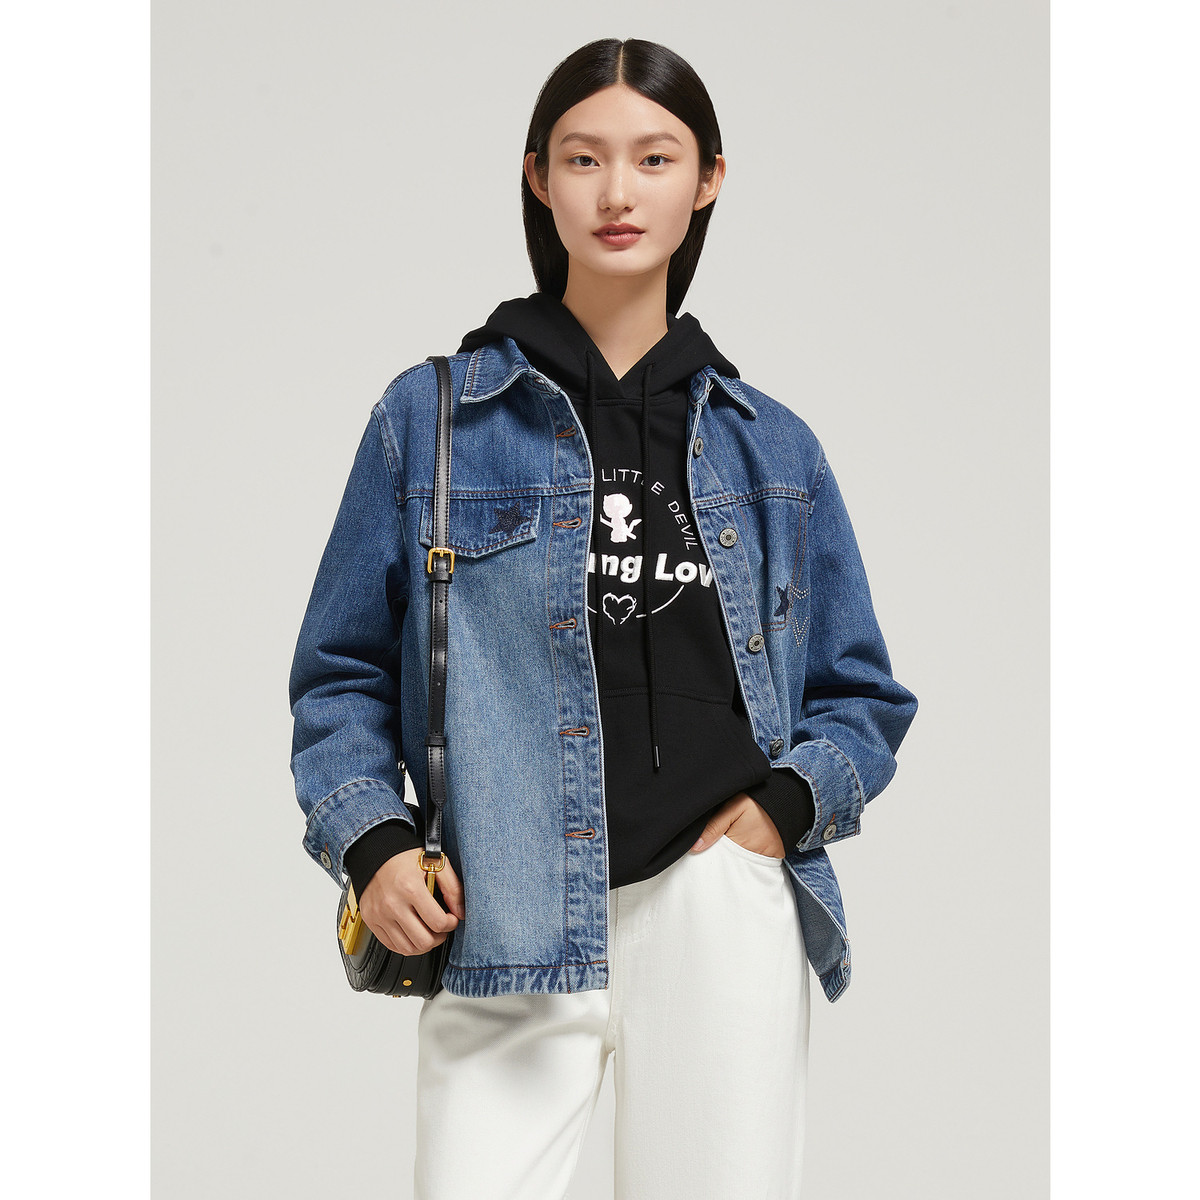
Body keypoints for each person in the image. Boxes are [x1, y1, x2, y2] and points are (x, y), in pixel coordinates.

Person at [289, 38, 918, 1200]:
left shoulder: (772, 448)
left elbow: (860, 695)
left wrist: (780, 814)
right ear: (538, 177)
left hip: (718, 902)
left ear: (709, 178)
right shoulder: (432, 421)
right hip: (503, 909)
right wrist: (372, 842)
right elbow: (339, 675)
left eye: (654, 158)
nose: (617, 192)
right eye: (584, 159)